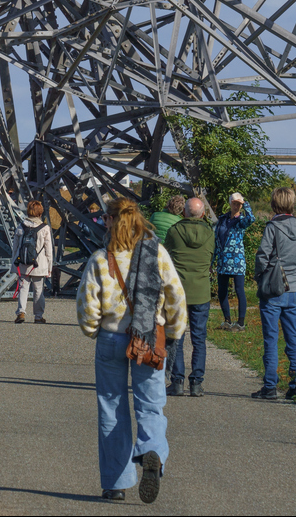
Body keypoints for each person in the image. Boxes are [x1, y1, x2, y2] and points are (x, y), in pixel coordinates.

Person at [76, 197, 187, 503]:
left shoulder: (101, 258)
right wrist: (174, 331)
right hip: (149, 339)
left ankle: (116, 483)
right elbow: (175, 294)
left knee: (112, 409)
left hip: (112, 338)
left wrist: (93, 330)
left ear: (112, 221)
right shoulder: (157, 253)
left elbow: (87, 307)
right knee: (151, 405)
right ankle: (152, 451)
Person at [252, 187, 296, 400]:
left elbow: (262, 257)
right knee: (293, 338)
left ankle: (269, 386)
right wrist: (293, 275)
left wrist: (261, 277)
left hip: (273, 290)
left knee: (271, 338)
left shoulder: (272, 227)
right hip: (293, 290)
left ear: (274, 203)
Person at [162, 197, 214, 397]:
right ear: (202, 214)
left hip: (178, 291)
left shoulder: (174, 231)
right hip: (201, 291)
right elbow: (211, 257)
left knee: (177, 338)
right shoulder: (210, 233)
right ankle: (196, 383)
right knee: (199, 339)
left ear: (183, 212)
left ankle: (177, 381)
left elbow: (166, 257)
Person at [213, 192, 254, 331]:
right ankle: (227, 321)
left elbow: (251, 219)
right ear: (230, 203)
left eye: (239, 204)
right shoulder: (222, 219)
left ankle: (241, 323)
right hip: (223, 260)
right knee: (222, 291)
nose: (236, 206)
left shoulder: (241, 221)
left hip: (237, 261)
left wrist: (246, 204)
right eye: (235, 203)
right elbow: (216, 239)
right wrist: (213, 260)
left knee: (239, 290)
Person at [13, 200, 54, 324]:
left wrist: (14, 264)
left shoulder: (21, 226)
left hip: (23, 263)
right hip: (39, 264)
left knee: (23, 288)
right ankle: (38, 316)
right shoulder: (45, 228)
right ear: (40, 212)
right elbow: (49, 251)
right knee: (38, 290)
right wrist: (49, 267)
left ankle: (21, 312)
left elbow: (15, 248)